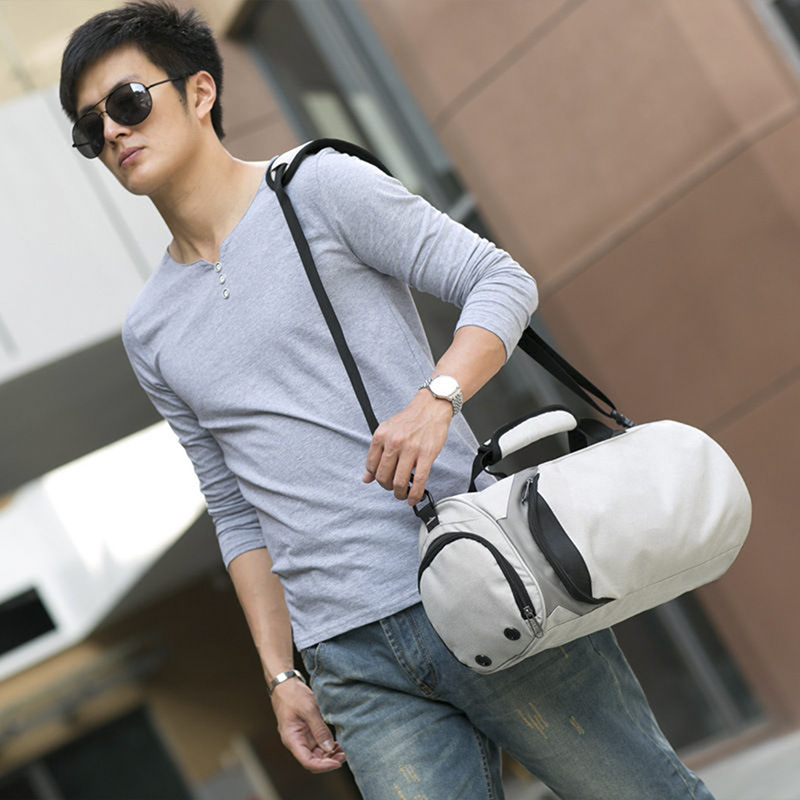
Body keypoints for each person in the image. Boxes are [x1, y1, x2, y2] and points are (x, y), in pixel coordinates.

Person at [60, 3, 715, 798]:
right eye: (90, 126)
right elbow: (235, 510)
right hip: (351, 662)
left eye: (127, 102)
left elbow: (498, 280)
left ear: (200, 92)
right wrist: (280, 672)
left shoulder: (317, 189)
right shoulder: (150, 331)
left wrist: (438, 397)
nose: (113, 131)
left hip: (479, 580)